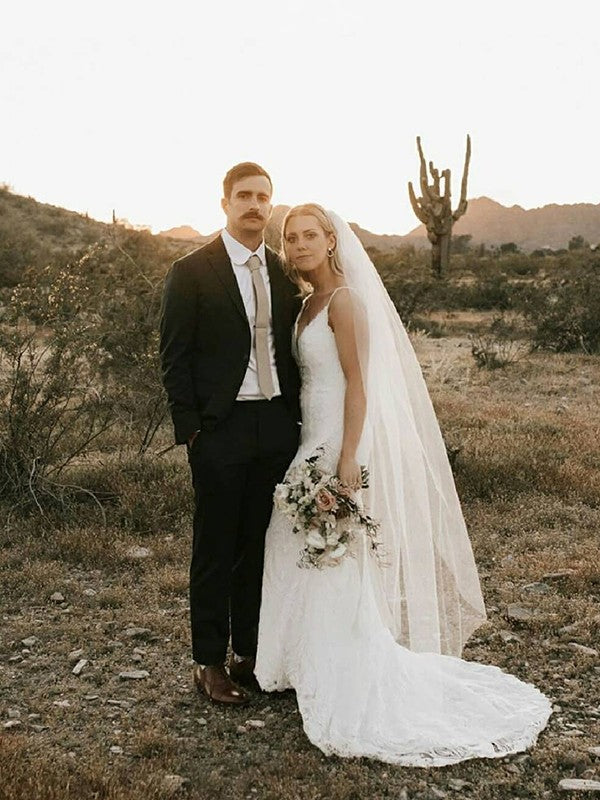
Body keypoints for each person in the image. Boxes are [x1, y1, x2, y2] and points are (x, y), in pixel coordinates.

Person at [255, 204, 552, 765]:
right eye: (291, 237)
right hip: (309, 440)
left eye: (309, 235)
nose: (298, 245)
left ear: (331, 241)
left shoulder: (344, 300)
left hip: (338, 442)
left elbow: (359, 386)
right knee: (295, 547)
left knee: (333, 558)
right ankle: (299, 662)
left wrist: (346, 460)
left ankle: (343, 670)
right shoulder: (306, 303)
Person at [159, 163, 301, 705]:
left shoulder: (286, 272)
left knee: (260, 543)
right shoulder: (192, 270)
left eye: (263, 197)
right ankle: (208, 662)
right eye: (244, 196)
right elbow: (174, 358)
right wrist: (192, 431)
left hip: (276, 423)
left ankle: (249, 652)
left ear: (272, 205)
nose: (255, 206)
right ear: (224, 203)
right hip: (220, 427)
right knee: (215, 546)